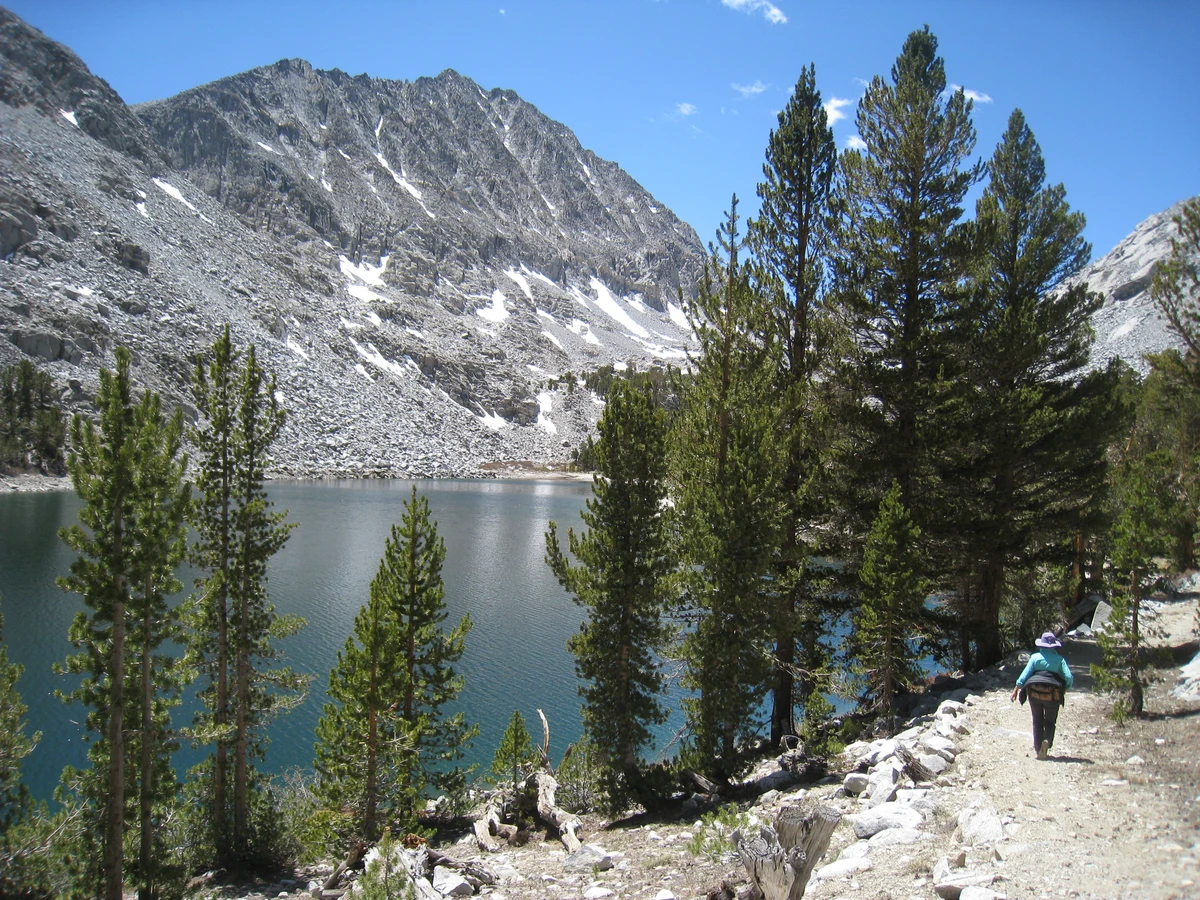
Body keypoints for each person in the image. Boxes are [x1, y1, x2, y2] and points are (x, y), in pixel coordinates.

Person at [1010, 631, 1073, 760]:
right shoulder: (1059, 660)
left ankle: (1039, 749)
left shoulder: (1035, 657)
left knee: (1037, 720)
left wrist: (1016, 688)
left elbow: (1025, 674)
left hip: (1034, 691)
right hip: (1052, 693)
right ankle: (1047, 741)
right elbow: (1069, 677)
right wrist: (1066, 688)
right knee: (1050, 721)